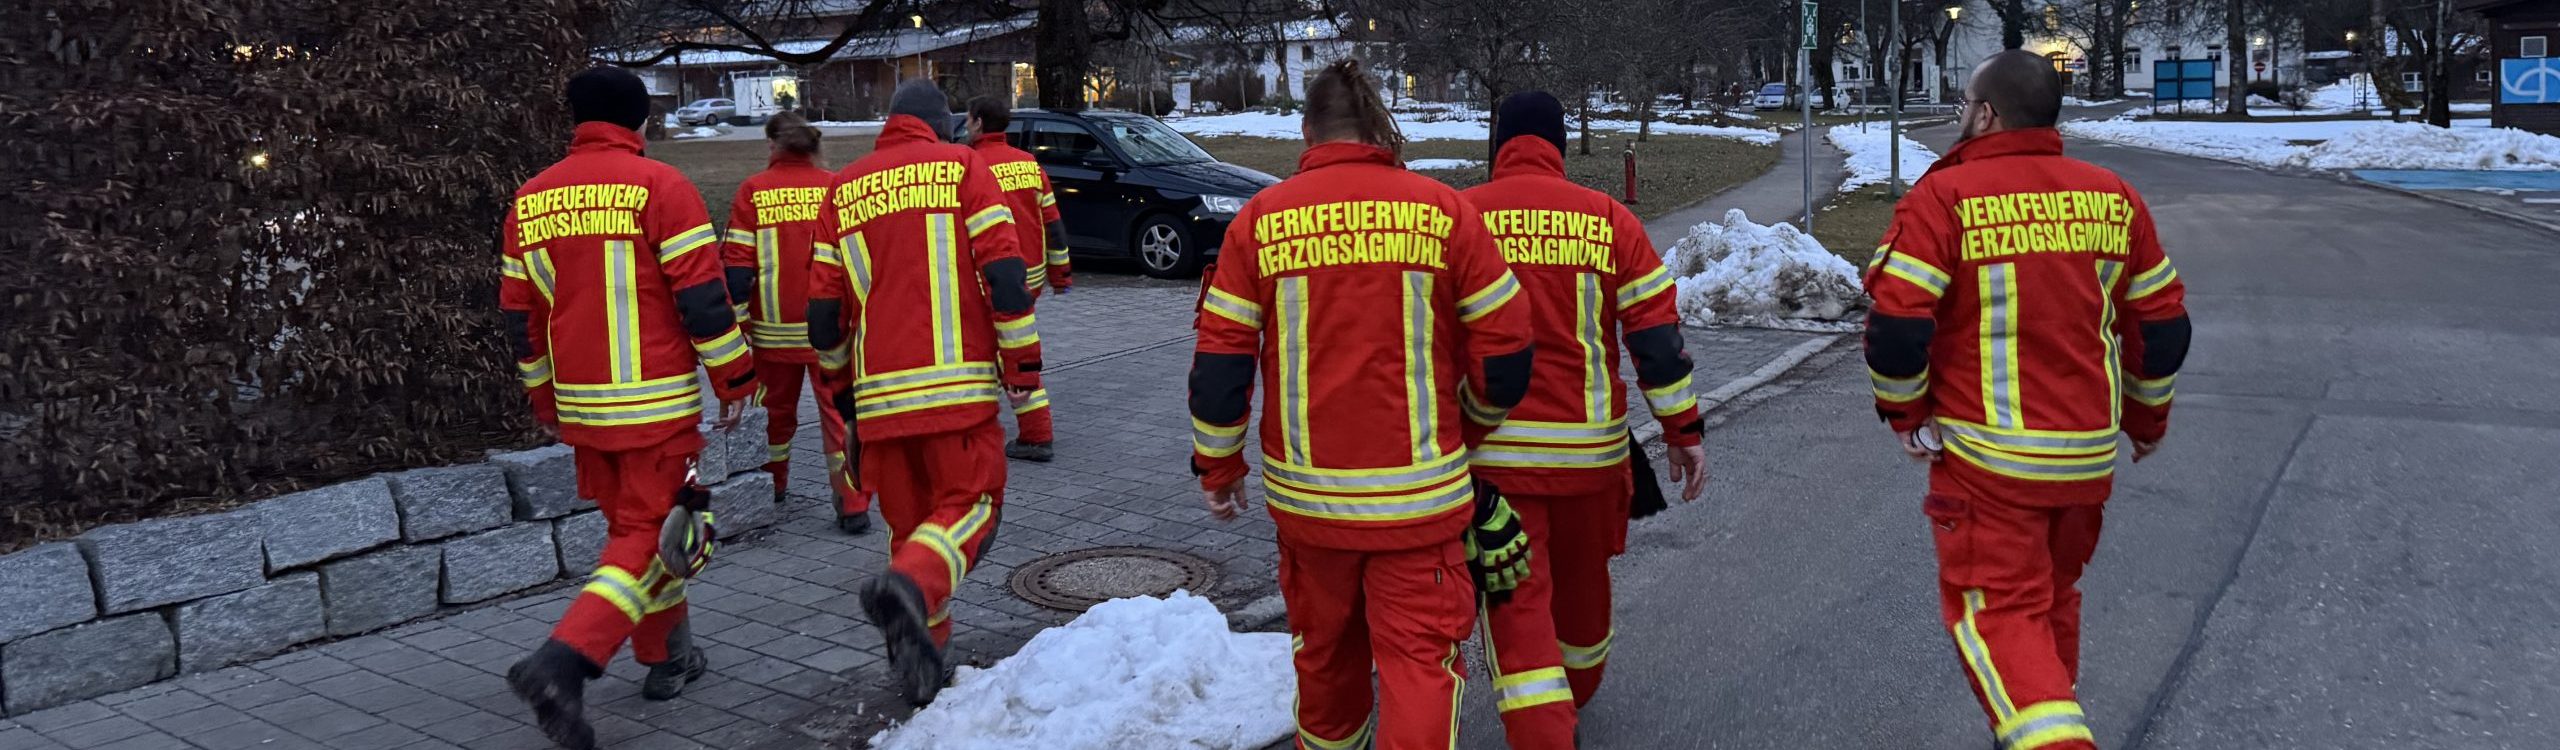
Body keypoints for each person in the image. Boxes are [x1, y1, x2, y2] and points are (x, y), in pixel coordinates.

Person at [1189, 58, 1535, 750]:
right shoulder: (1442, 211)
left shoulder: (1260, 221)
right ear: (1379, 126)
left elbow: (1220, 367)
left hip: (1310, 508)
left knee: (1324, 663)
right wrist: (1466, 428)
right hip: (1421, 505)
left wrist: (1219, 469)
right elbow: (1508, 352)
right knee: (1419, 668)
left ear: (1306, 130)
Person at [1862, 50, 2190, 750]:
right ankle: (2035, 725)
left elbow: (1895, 328)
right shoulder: (2113, 196)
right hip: (2085, 464)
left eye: (1963, 105)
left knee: (1998, 615)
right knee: (2049, 602)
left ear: (1986, 114)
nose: (1959, 117)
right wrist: (2146, 419)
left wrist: (1906, 415)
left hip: (1991, 463)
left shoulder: (1946, 198)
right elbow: (2162, 327)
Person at [499, 66, 757, 750]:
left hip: (584, 410)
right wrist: (734, 376)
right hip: (654, 406)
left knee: (639, 535)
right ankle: (563, 663)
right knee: (650, 537)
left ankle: (667, 659)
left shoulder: (530, 200)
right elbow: (702, 299)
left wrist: (543, 397)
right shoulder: (660, 187)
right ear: (639, 121)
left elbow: (520, 320)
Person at [1458, 90, 1711, 747]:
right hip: (1591, 463)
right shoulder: (1608, 220)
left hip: (1494, 468)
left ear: (1498, 145)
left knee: (1519, 621)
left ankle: (1545, 721)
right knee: (1584, 603)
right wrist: (1683, 433)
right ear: (1561, 145)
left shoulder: (1462, 218)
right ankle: (1574, 693)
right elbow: (1656, 339)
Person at [806, 78, 1039, 706]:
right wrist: (1022, 367)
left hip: (879, 400)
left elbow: (825, 316)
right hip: (956, 390)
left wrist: (844, 397)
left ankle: (921, 664)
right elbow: (1006, 278)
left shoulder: (842, 190)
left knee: (912, 529)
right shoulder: (964, 169)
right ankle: (906, 590)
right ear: (943, 127)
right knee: (971, 510)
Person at [721, 113, 874, 534]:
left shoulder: (754, 190)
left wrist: (738, 329)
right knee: (839, 416)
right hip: (829, 331)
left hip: (772, 334)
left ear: (774, 145)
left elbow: (737, 267)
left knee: (774, 415)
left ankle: (773, 485)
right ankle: (854, 502)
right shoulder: (835, 185)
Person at [960, 96, 1074, 462]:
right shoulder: (1029, 164)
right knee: (1014, 349)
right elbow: (1052, 225)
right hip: (1031, 278)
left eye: (967, 118)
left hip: (990, 280)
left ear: (978, 122)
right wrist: (1060, 274)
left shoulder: (969, 166)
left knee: (1000, 353)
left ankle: (1035, 434)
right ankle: (1027, 429)